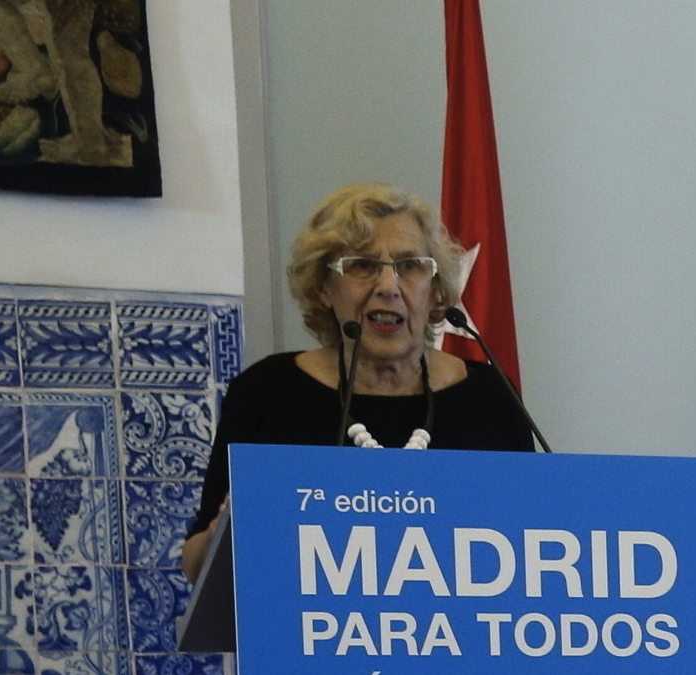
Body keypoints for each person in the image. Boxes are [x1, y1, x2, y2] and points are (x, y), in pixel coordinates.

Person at [181, 181, 534, 583]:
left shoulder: (490, 395)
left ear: (434, 289)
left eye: (410, 266)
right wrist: (223, 532)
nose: (388, 287)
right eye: (362, 266)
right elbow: (196, 566)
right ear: (324, 288)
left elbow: (534, 540)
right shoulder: (266, 392)